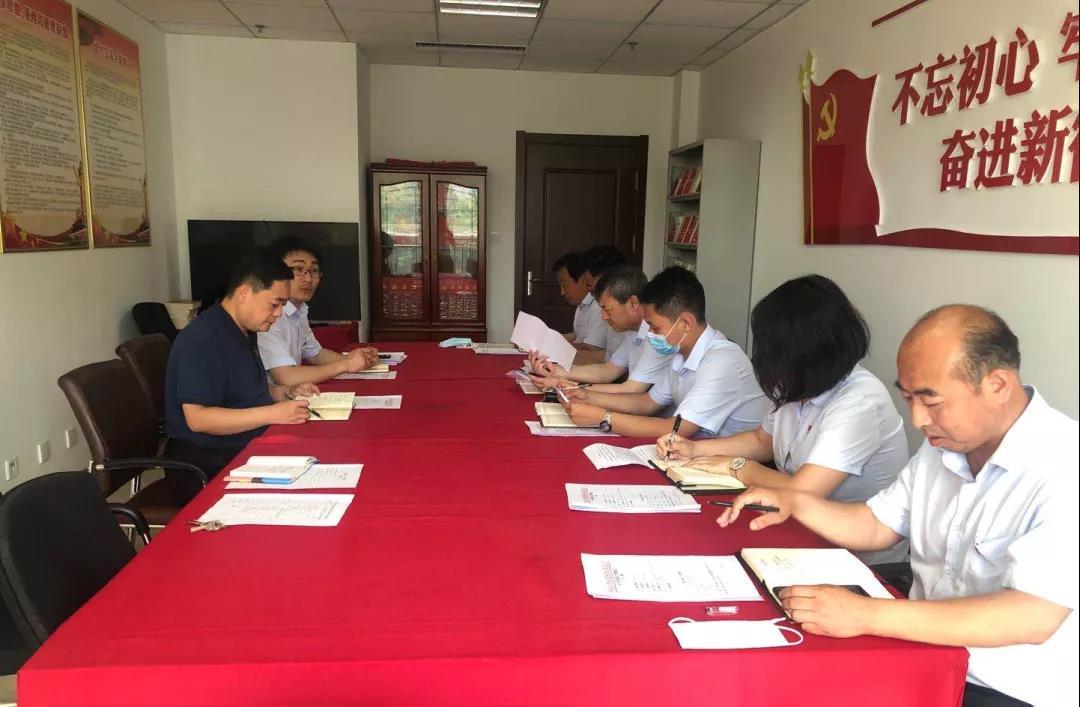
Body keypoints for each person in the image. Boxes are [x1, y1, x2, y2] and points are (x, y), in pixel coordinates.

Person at [719, 305, 1078, 707]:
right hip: (922, 651)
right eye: (908, 398)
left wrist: (865, 614)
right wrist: (796, 502)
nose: (918, 419)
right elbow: (877, 525)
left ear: (997, 384)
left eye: (931, 401)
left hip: (1005, 688)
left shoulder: (1065, 465)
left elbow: (1033, 616)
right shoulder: (943, 446)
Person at [657, 275, 909, 563]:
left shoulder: (860, 401)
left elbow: (801, 492)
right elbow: (762, 441)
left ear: (806, 353)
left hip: (855, 558)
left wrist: (736, 466)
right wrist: (694, 448)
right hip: (796, 528)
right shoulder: (797, 382)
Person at [164, 249, 319, 502]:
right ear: (245, 292)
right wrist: (272, 413)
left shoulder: (244, 330)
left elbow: (243, 393)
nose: (279, 313)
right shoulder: (203, 339)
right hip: (207, 462)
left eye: (282, 305)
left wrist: (286, 393)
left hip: (245, 444)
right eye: (275, 304)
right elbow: (198, 419)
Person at [562, 266, 766, 438]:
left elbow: (677, 428)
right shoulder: (680, 355)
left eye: (655, 327)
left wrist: (603, 417)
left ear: (685, 323)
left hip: (733, 462)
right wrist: (586, 396)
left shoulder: (721, 360)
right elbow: (648, 403)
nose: (650, 334)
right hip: (698, 453)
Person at [528, 266, 673, 394]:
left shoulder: (657, 335)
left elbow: (632, 389)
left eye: (607, 309)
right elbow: (609, 370)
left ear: (633, 303)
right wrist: (555, 370)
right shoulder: (632, 331)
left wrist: (570, 387)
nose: (603, 317)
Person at [257, 237, 378, 386]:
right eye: (299, 269)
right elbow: (286, 377)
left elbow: (315, 354)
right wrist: (345, 365)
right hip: (270, 398)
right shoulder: (267, 316)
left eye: (314, 271)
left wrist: (358, 359)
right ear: (275, 272)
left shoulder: (298, 310)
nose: (308, 279)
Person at [552, 251, 607, 364]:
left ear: (583, 280)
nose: (562, 292)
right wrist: (550, 338)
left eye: (565, 285)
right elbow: (577, 335)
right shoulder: (582, 305)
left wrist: (550, 346)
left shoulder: (599, 307)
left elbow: (591, 349)